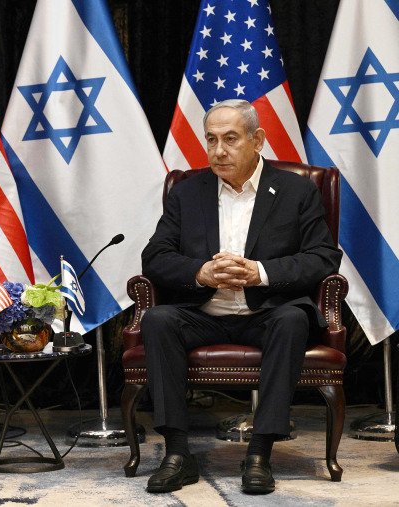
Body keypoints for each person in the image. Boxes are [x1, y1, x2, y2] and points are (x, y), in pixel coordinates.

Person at [140, 100, 342, 495]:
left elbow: (322, 257)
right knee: (158, 319)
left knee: (292, 319)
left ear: (257, 139)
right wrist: (201, 272)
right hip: (204, 312)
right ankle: (178, 455)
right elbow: (155, 257)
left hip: (266, 313)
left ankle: (260, 454)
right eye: (211, 140)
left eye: (230, 139)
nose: (218, 151)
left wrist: (259, 273)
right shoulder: (186, 192)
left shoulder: (297, 190)